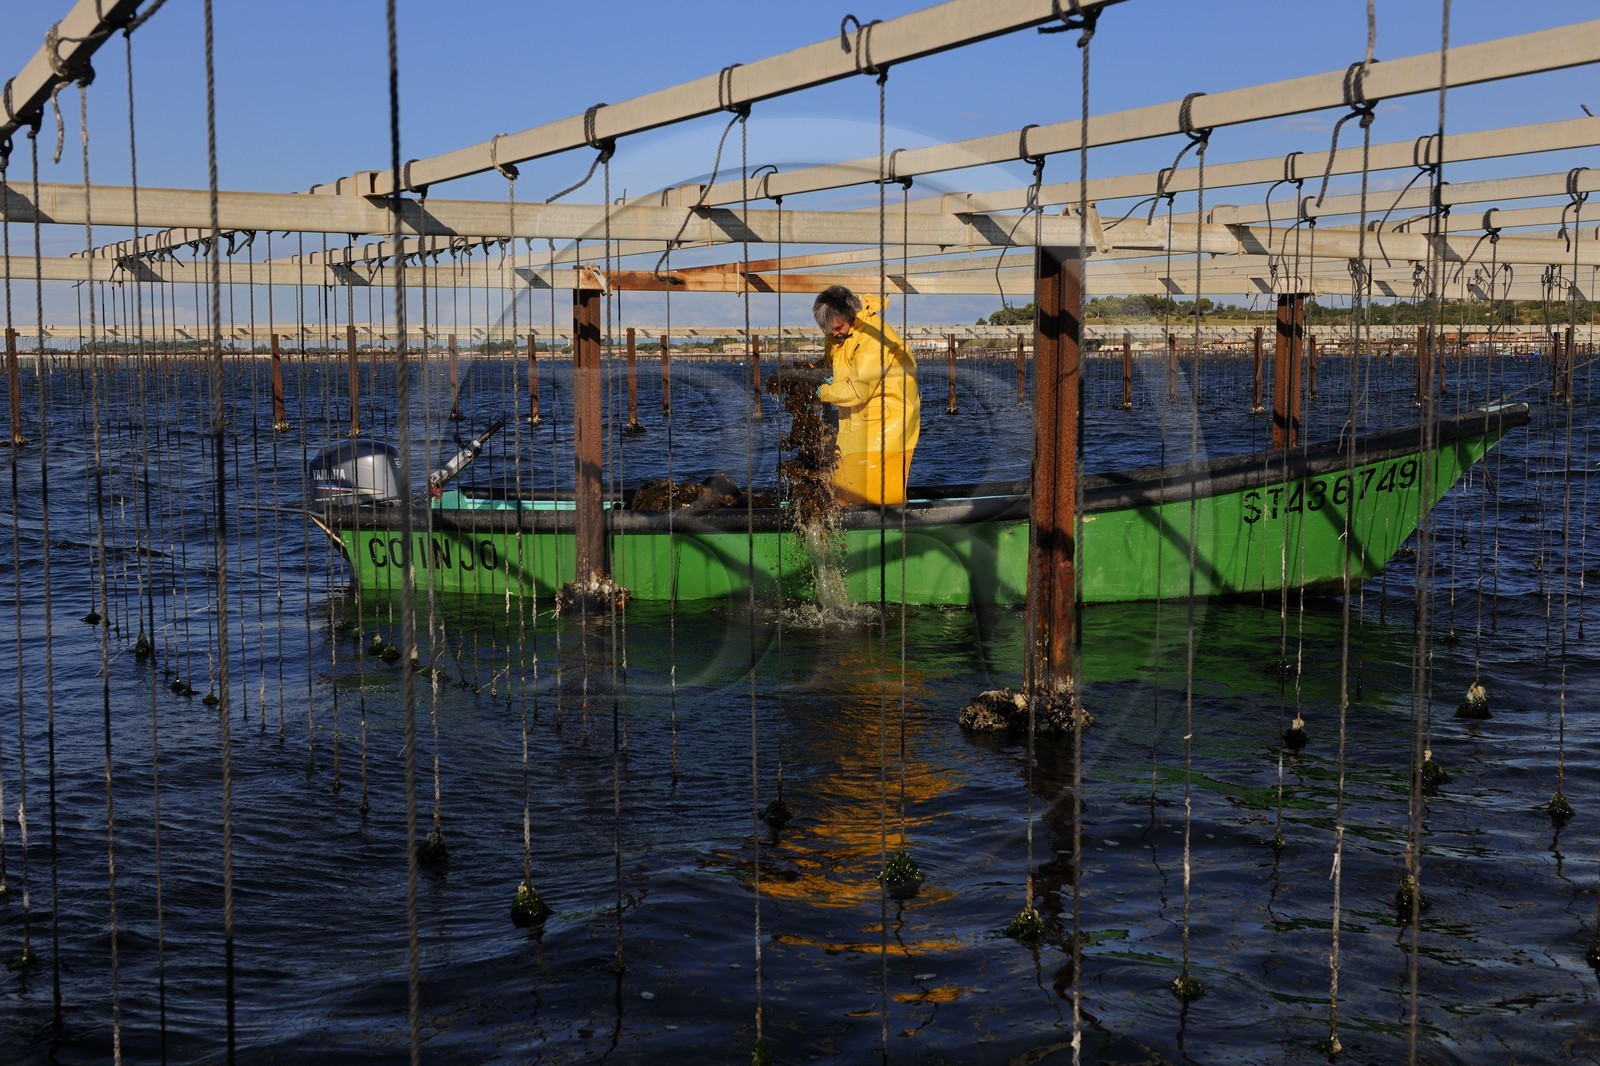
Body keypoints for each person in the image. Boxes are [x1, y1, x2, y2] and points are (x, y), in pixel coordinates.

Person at [812, 285, 921, 506]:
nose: (834, 334)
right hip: (861, 421)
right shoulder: (840, 334)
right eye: (829, 330)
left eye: (838, 327)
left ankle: (891, 532)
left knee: (880, 495)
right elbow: (833, 359)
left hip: (887, 424)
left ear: (849, 314)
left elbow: (856, 391)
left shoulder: (872, 337)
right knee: (845, 489)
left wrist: (822, 390)